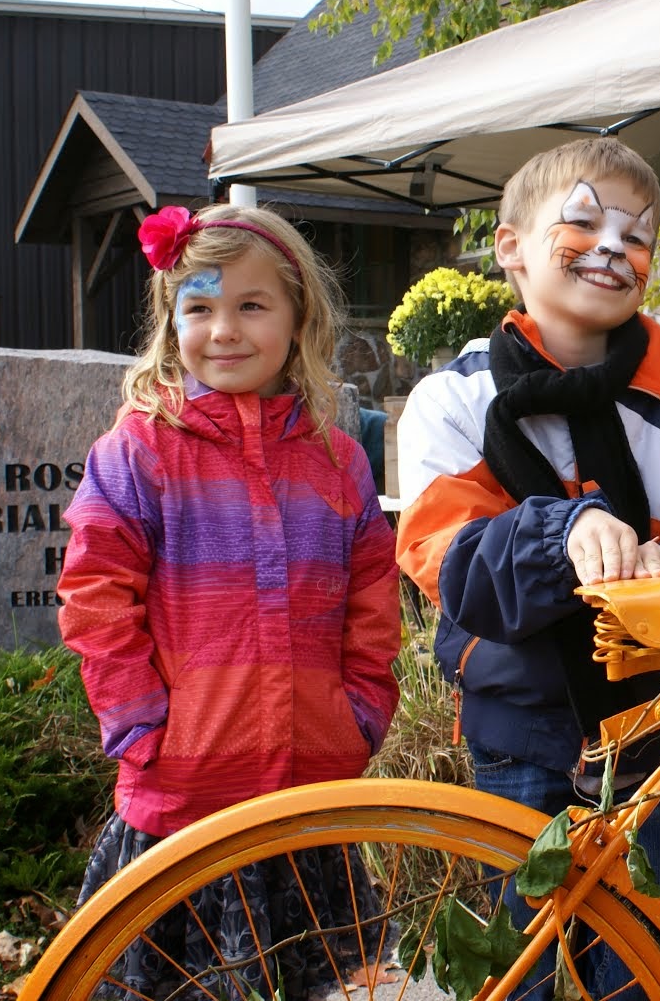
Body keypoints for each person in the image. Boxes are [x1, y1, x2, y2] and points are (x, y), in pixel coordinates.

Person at [394, 137, 660, 994]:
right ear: (510, 247)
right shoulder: (453, 401)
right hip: (520, 736)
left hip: (652, 736)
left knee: (653, 964)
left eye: (638, 235)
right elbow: (446, 561)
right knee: (530, 967)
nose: (612, 246)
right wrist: (565, 531)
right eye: (582, 221)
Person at [57, 203, 401, 1000]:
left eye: (253, 305)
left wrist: (363, 712)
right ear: (170, 318)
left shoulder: (337, 459)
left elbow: (374, 599)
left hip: (310, 792)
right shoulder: (138, 451)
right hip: (183, 800)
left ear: (297, 315)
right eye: (200, 306)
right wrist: (142, 728)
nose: (225, 329)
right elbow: (94, 598)